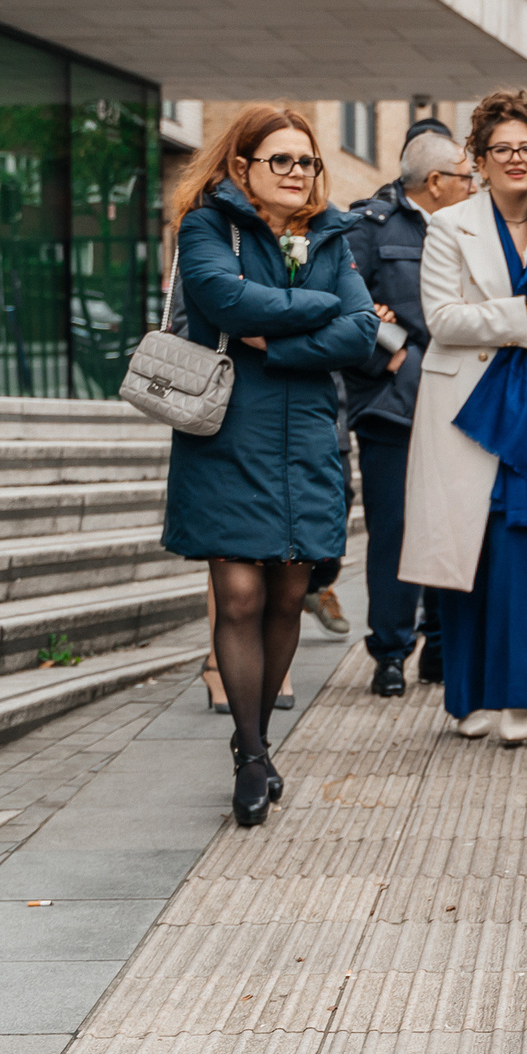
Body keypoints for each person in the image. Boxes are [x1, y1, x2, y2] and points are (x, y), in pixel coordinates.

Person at [160, 105, 378, 827]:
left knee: (289, 594)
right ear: (242, 166)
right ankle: (251, 755)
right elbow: (222, 298)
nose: (296, 173)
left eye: (307, 161)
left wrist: (277, 337)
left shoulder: (331, 232)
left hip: (308, 436)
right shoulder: (206, 226)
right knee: (243, 594)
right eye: (280, 160)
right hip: (228, 432)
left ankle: (256, 738)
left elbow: (360, 333)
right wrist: (317, 307)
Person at [400, 89, 527, 745]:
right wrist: (524, 317)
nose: (516, 158)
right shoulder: (449, 227)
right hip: (465, 410)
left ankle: (519, 695)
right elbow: (442, 320)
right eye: (501, 148)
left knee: (519, 556)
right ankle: (468, 698)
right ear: (479, 160)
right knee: (464, 557)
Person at [346, 128, 477, 697]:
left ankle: (442, 649)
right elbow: (343, 304)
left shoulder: (472, 227)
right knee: (394, 534)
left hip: (457, 401)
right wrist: (394, 349)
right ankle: (391, 653)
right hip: (391, 409)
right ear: (436, 183)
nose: (473, 183)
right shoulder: (368, 229)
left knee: (452, 530)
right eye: (465, 175)